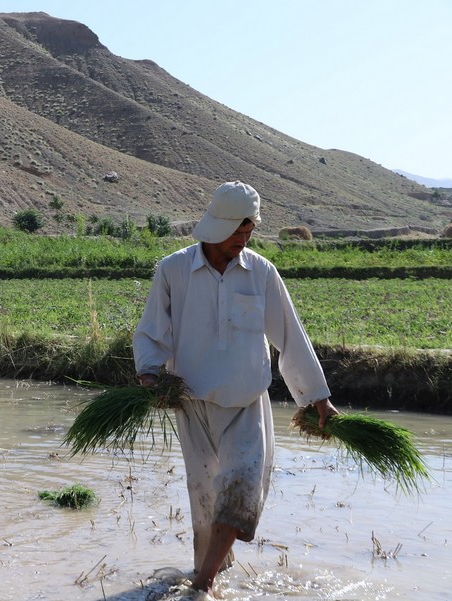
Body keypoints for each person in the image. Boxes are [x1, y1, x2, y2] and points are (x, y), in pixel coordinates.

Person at [132, 181, 338, 599]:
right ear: (214, 227)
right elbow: (153, 330)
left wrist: (318, 398)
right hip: (193, 403)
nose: (241, 242)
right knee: (205, 499)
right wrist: (150, 375)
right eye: (235, 233)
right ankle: (211, 572)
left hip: (246, 403)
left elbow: (290, 336)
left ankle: (202, 585)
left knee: (241, 488)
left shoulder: (261, 273)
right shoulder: (173, 270)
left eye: (248, 233)